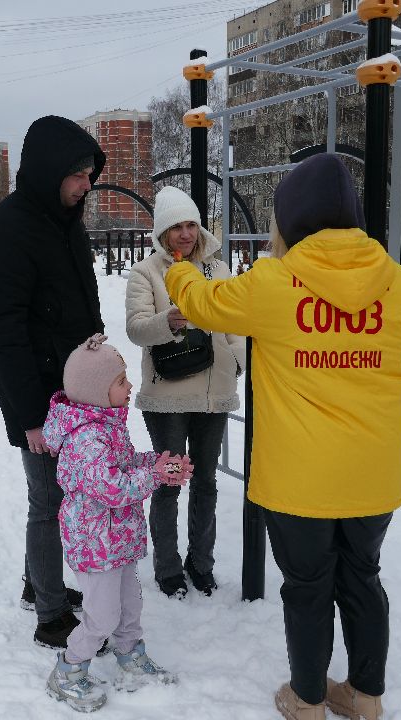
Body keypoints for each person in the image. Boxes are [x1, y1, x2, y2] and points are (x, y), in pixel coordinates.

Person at [164, 154, 401, 720]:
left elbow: (201, 304)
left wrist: (181, 264)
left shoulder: (273, 283)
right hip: (373, 475)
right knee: (362, 578)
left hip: (298, 480)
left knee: (308, 587)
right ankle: (365, 697)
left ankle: (307, 700)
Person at [0, 115, 106, 649]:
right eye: (78, 173)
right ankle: (51, 615)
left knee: (62, 493)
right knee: (48, 501)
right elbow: (4, 335)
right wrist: (30, 417)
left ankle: (38, 582)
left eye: (90, 173)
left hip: (75, 390)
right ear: (50, 170)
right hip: (42, 398)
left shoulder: (61, 219)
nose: (87, 183)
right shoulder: (6, 229)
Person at [42, 335, 191, 712]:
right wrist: (155, 476)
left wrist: (158, 464)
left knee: (129, 605)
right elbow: (110, 488)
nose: (130, 386)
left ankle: (131, 657)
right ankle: (69, 670)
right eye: (122, 381)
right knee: (102, 615)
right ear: (96, 391)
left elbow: (123, 466)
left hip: (117, 539)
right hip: (94, 544)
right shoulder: (86, 438)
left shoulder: (106, 426)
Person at [124, 186, 245, 599]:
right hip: (168, 397)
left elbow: (234, 327)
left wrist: (239, 362)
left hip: (215, 393)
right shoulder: (146, 272)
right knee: (170, 482)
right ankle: (168, 566)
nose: (186, 233)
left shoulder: (219, 269)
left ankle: (202, 563)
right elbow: (137, 329)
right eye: (176, 226)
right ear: (162, 232)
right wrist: (170, 320)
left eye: (191, 224)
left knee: (207, 482)